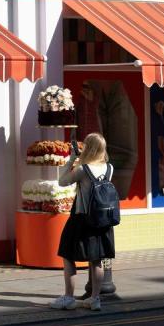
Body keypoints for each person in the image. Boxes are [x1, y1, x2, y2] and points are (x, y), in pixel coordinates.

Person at [51, 133, 116, 312]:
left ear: (90, 148)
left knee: (68, 256)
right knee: (96, 260)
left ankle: (68, 298)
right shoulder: (109, 168)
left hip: (81, 219)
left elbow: (62, 181)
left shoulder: (83, 170)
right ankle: (94, 299)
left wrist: (72, 158)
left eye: (86, 145)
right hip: (102, 221)